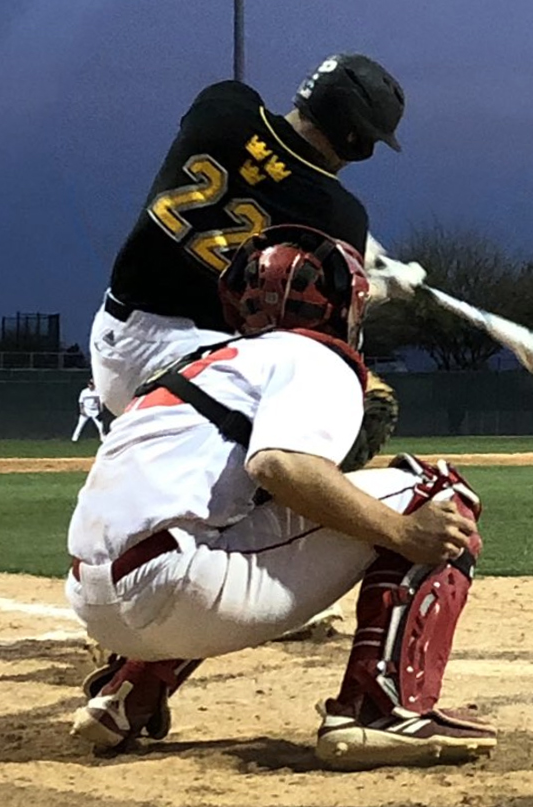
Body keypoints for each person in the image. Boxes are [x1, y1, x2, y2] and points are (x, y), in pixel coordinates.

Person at [66, 226, 494, 769]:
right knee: (437, 495)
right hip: (178, 591)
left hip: (91, 597)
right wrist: (401, 533)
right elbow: (280, 464)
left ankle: (128, 696)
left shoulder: (201, 359)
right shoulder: (314, 356)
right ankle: (380, 710)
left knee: (235, 515)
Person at [88, 53, 424, 639]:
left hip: (114, 338)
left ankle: (183, 568)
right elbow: (318, 297)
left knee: (201, 466)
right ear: (354, 136)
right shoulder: (338, 211)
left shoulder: (224, 107)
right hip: (185, 358)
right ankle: (250, 572)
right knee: (351, 408)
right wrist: (382, 287)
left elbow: (262, 180)